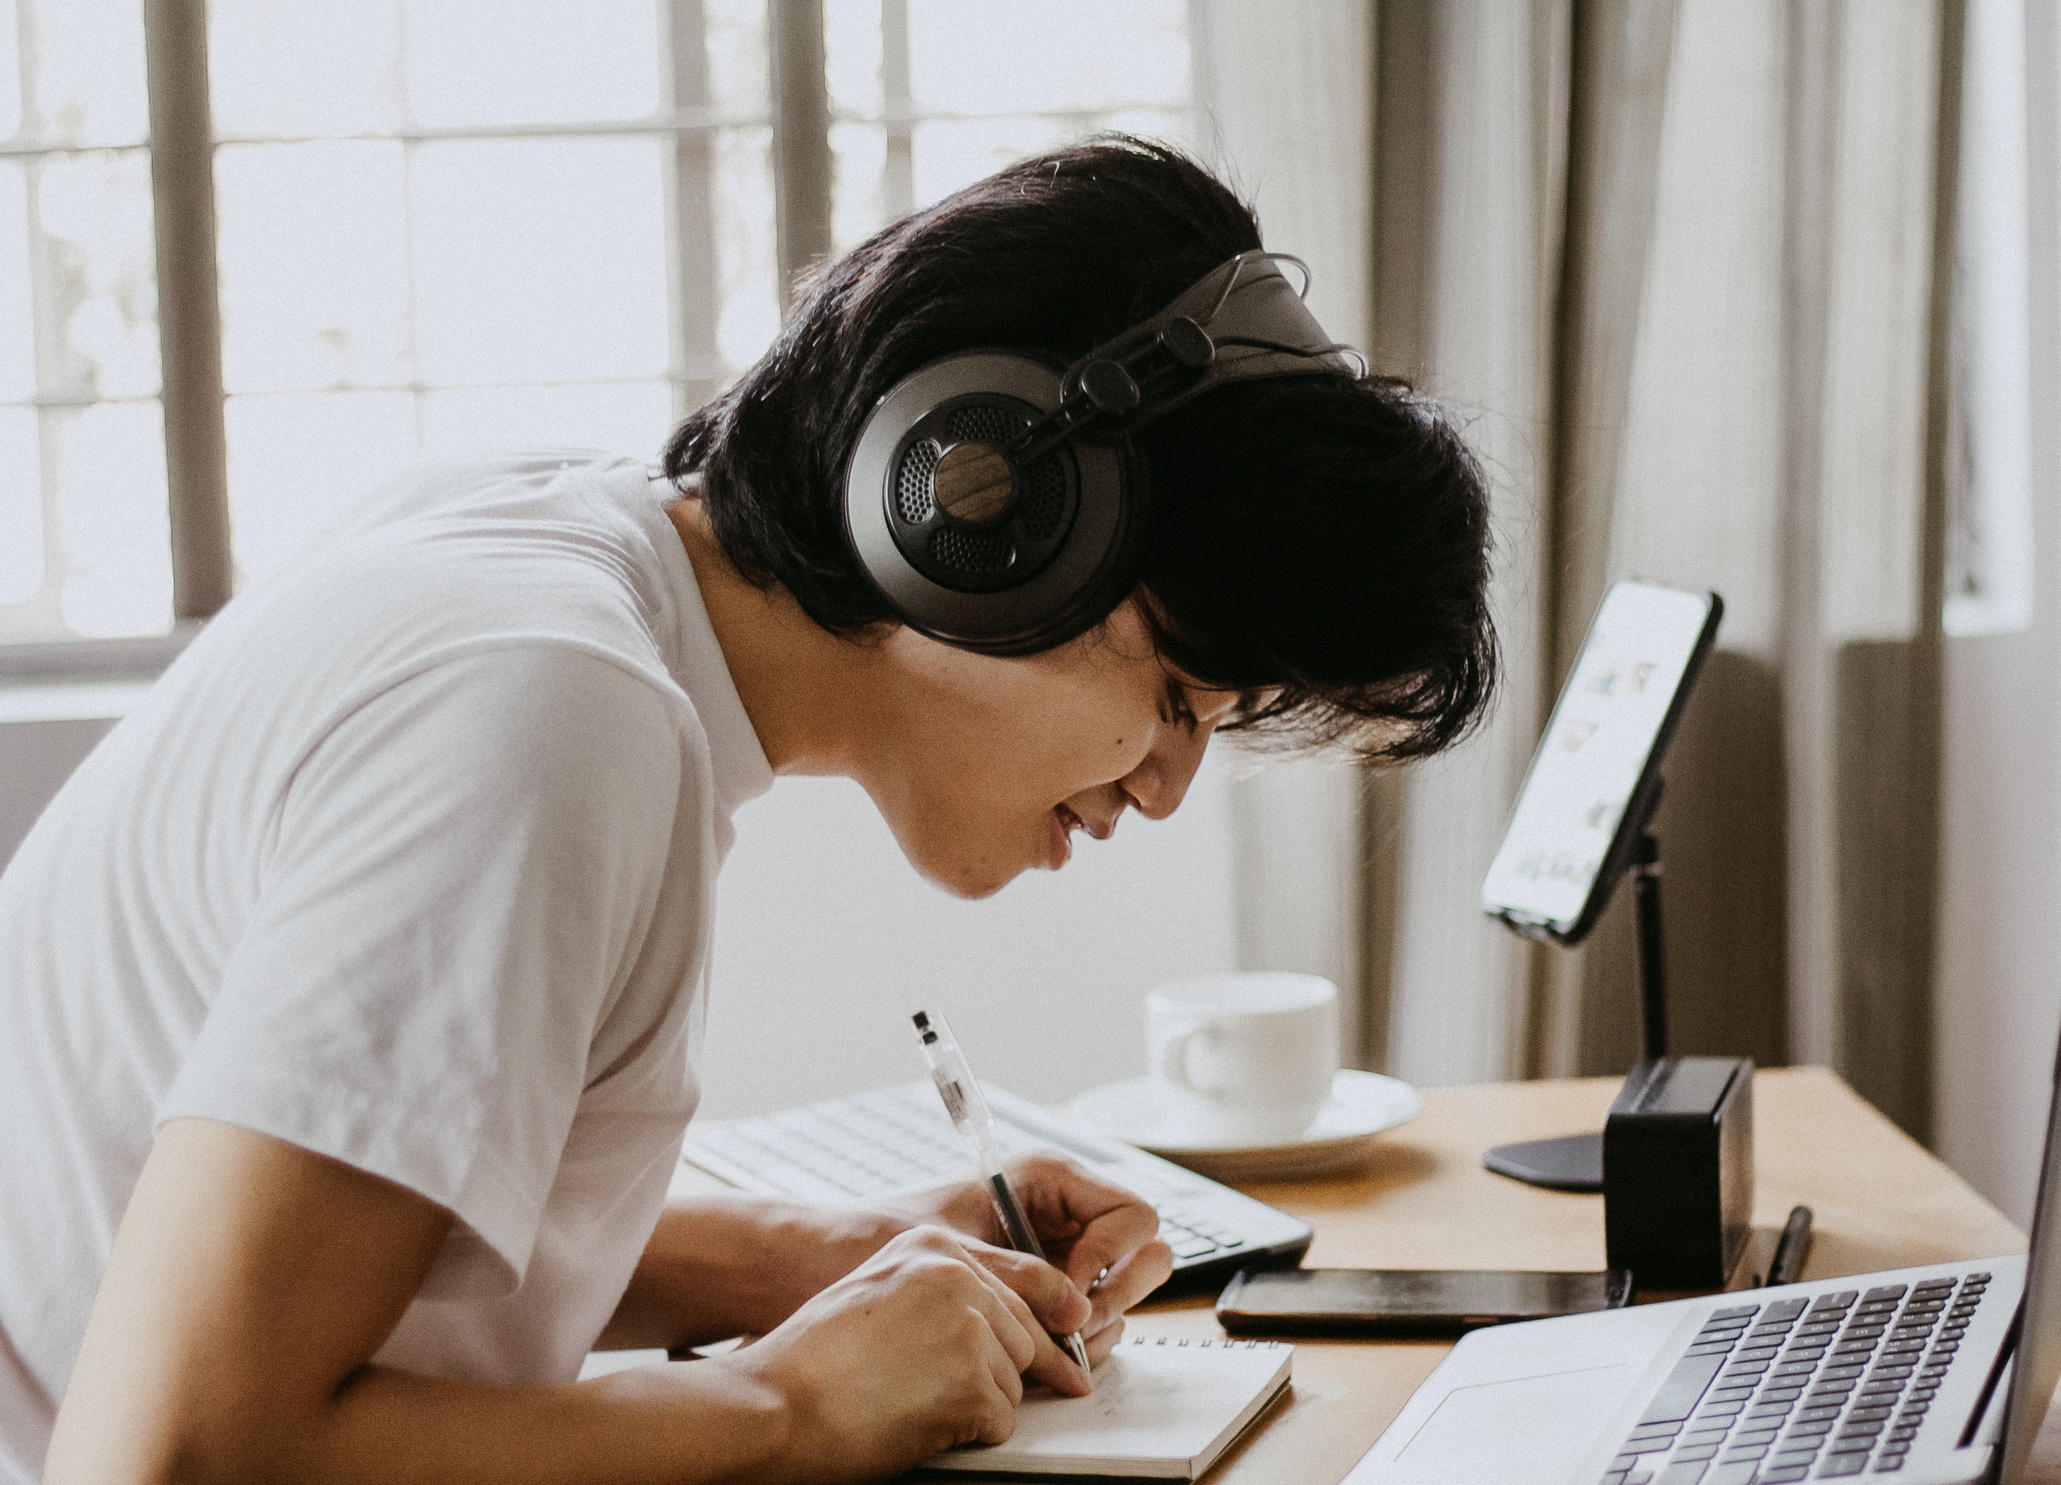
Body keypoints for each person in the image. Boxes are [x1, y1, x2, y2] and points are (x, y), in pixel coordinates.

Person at [1, 139, 1496, 1485]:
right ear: (977, 515)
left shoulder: (546, 571)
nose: (1165, 790)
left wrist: (805, 1256)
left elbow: (352, 1242)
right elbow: (167, 1457)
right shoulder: (545, 717)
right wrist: (788, 1408)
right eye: (1177, 693)